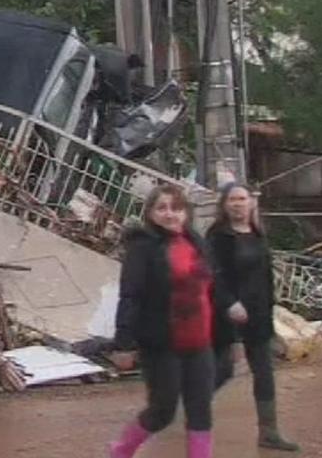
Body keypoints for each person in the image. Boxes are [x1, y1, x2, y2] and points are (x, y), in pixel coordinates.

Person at [107, 184, 220, 458]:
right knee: (163, 410)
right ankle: (120, 452)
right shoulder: (142, 247)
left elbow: (213, 291)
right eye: (162, 208)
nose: (170, 214)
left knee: (200, 408)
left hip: (200, 342)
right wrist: (123, 343)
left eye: (176, 208)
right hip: (162, 343)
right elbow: (130, 295)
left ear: (186, 213)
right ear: (150, 213)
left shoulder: (196, 243)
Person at [209, 183, 300, 452]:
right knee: (223, 370)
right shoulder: (218, 237)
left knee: (264, 372)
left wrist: (271, 311)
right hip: (229, 316)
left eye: (242, 198)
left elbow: (265, 276)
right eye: (232, 199)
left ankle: (269, 432)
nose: (238, 204)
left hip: (258, 316)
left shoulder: (257, 234)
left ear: (251, 203)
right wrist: (230, 304)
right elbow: (213, 277)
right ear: (225, 205)